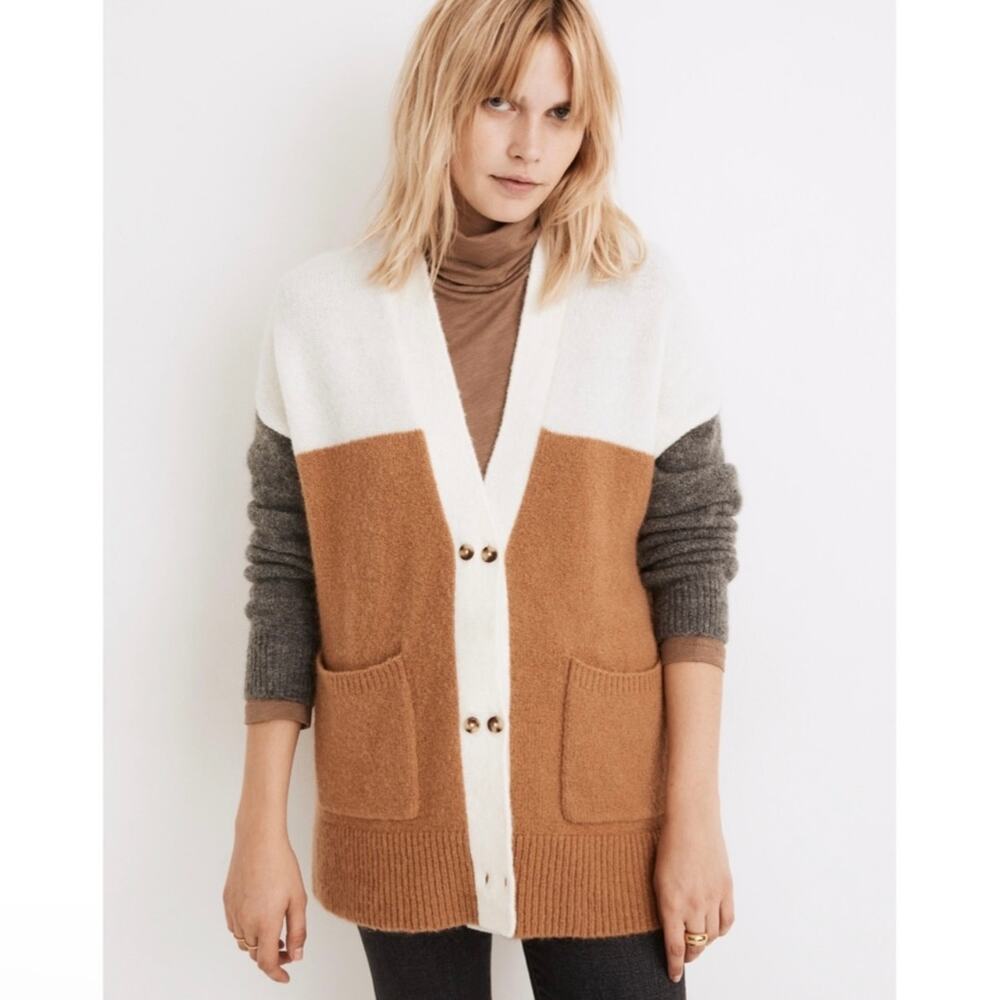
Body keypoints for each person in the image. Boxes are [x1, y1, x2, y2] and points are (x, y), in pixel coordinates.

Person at [222, 1, 742, 996]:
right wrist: (259, 827)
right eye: (499, 102)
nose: (529, 145)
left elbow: (691, 559)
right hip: (397, 799)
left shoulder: (638, 302)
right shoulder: (318, 318)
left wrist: (696, 815)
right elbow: (287, 577)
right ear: (439, 101)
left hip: (604, 808)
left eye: (560, 113)